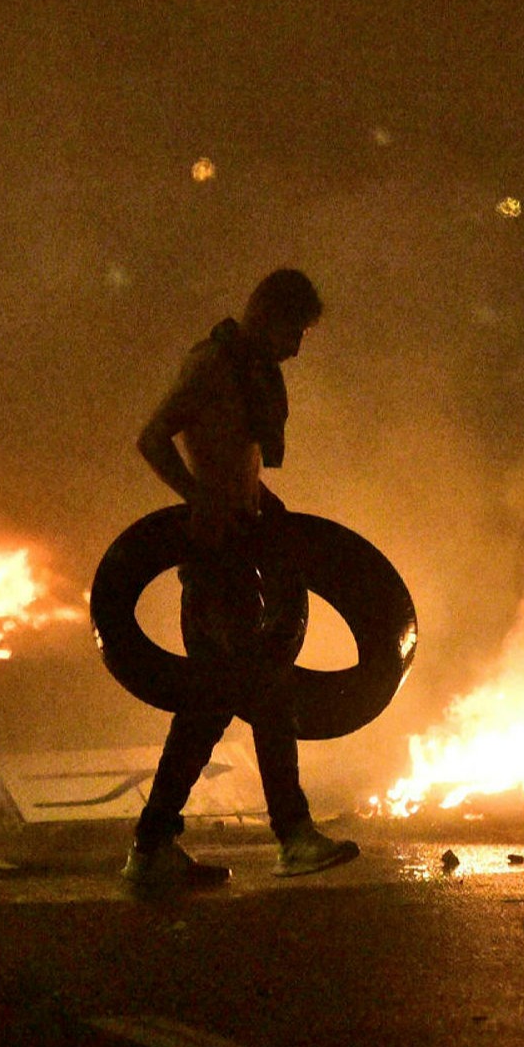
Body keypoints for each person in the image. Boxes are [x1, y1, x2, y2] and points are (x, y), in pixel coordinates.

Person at [123, 268, 359, 890]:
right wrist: (196, 497)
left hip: (239, 545)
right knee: (267, 691)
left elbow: (240, 458)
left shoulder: (251, 370)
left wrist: (260, 503)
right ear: (265, 315)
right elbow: (152, 438)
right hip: (216, 559)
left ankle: (151, 846)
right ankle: (294, 836)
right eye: (295, 330)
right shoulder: (212, 366)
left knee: (207, 706)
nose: (297, 347)